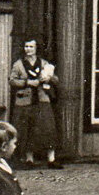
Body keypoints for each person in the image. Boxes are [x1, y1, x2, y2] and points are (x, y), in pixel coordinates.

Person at [9, 38, 62, 168]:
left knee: (47, 128)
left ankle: (51, 159)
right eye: (26, 46)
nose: (28, 49)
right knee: (27, 129)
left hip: (42, 100)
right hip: (25, 102)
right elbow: (12, 80)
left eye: (31, 47)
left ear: (36, 48)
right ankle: (29, 159)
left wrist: (48, 78)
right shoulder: (18, 65)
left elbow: (56, 80)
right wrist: (27, 83)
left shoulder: (44, 64)